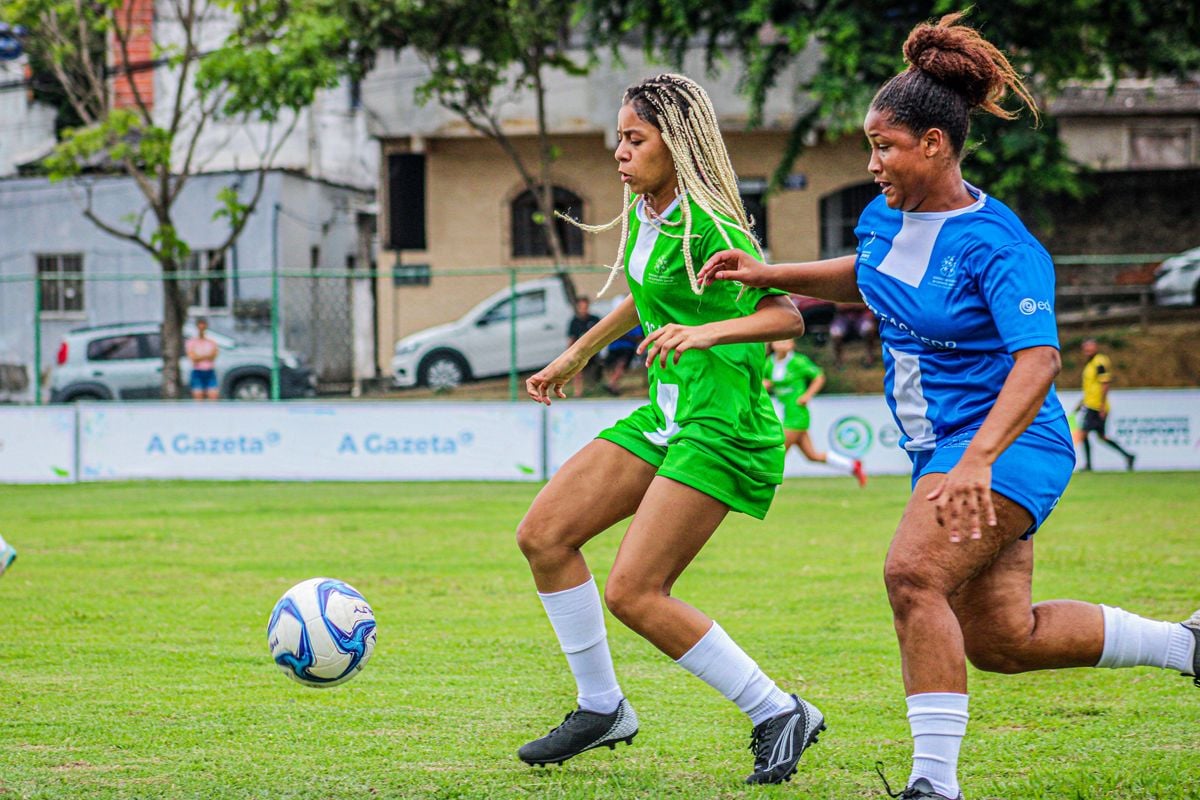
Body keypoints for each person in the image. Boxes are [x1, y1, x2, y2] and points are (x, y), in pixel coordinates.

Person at [698, 14, 1198, 800]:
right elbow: (869, 275)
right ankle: (1184, 645)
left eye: (885, 146)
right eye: (871, 146)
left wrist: (976, 458)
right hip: (946, 452)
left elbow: (1040, 359)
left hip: (1011, 444)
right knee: (1002, 637)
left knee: (910, 576)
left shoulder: (1001, 247)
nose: (872, 163)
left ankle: (935, 785)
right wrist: (767, 274)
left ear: (935, 143)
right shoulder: (886, 216)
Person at [516, 73, 824, 785]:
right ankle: (602, 707)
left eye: (634, 139)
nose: (620, 153)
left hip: (722, 424)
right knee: (545, 535)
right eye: (617, 139)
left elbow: (787, 317)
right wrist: (577, 353)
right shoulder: (651, 215)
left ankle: (779, 712)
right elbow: (643, 293)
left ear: (674, 144)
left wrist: (706, 333)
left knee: (634, 590)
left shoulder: (711, 223)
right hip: (668, 417)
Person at [765, 338, 867, 486]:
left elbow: (819, 376)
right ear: (772, 344)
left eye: (786, 341)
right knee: (812, 456)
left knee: (778, 453)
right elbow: (764, 381)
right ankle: (852, 465)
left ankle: (769, 489)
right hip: (786, 413)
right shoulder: (769, 364)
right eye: (779, 341)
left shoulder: (799, 362)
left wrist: (807, 395)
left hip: (797, 414)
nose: (782, 344)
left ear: (792, 344)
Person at [1074, 338, 1136, 471]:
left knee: (1084, 434)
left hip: (1096, 406)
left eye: (1090, 347)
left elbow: (1105, 383)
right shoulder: (1090, 364)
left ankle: (1088, 465)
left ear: (1096, 347)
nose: (1087, 350)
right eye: (1085, 348)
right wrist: (1081, 403)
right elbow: (1090, 387)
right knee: (1102, 436)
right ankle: (1128, 455)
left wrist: (1102, 405)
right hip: (1090, 404)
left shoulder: (1100, 362)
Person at [601, 324, 643, 395]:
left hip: (627, 348)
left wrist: (622, 335)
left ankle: (612, 384)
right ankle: (613, 385)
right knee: (613, 366)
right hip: (614, 347)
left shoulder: (636, 324)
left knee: (621, 365)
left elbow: (638, 337)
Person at [186, 317, 220, 401]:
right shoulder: (192, 342)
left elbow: (213, 356)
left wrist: (200, 356)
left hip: (210, 371)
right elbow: (193, 358)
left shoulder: (211, 342)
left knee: (213, 396)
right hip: (197, 371)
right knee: (198, 396)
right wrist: (206, 356)